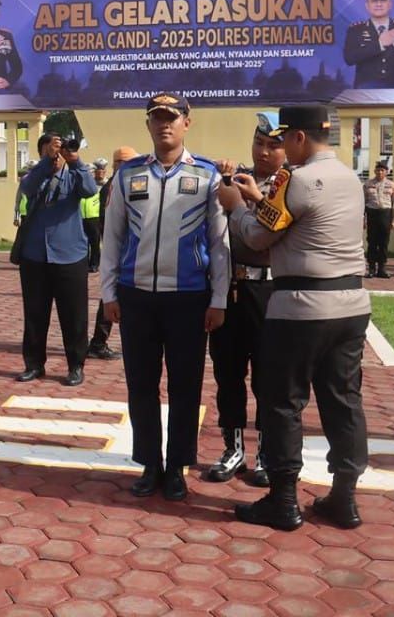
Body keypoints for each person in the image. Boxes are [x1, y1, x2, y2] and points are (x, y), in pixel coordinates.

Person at [219, 104, 370, 532]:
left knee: (282, 401)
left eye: (284, 138)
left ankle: (283, 499)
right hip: (351, 305)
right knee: (344, 401)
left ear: (299, 138)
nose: (281, 146)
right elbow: (290, 217)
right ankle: (345, 497)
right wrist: (256, 199)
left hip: (301, 306)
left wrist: (235, 206)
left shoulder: (295, 179)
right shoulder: (350, 179)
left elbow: (258, 236)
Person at [101, 93, 228, 500]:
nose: (164, 125)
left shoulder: (208, 176)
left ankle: (177, 466)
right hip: (135, 296)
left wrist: (219, 298)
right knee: (141, 384)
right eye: (157, 118)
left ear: (187, 122)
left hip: (189, 297)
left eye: (172, 118)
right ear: (148, 124)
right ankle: (149, 463)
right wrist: (108, 292)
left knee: (185, 386)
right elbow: (112, 237)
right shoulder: (128, 175)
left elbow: (219, 242)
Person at [207, 111, 286, 487]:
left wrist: (247, 198)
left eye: (274, 145)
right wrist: (226, 180)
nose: (264, 151)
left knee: (269, 378)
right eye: (259, 143)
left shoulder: (291, 184)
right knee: (228, 373)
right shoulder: (237, 177)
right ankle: (233, 448)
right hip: (233, 289)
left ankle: (267, 453)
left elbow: (271, 233)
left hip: (270, 291)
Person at [16, 132, 99, 387]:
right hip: (35, 254)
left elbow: (89, 189)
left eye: (59, 149)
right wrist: (45, 163)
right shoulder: (34, 174)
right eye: (50, 149)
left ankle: (76, 365)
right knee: (35, 314)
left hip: (69, 255)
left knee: (74, 315)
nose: (56, 153)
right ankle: (33, 364)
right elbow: (27, 190)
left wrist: (74, 160)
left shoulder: (75, 175)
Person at [87, 147, 137, 361]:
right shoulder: (114, 187)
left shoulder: (120, 184)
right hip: (122, 253)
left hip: (126, 252)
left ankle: (99, 341)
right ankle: (98, 342)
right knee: (113, 298)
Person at [363, 161, 394, 278]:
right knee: (372, 242)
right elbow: (363, 202)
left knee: (383, 243)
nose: (380, 172)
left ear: (386, 172)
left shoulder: (391, 185)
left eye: (382, 170)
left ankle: (382, 268)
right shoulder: (368, 184)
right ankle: (371, 268)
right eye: (378, 170)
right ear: (374, 171)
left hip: (385, 214)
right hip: (372, 213)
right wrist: (363, 219)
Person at [82, 159, 108, 273]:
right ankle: (84, 263)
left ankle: (94, 264)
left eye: (91, 172)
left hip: (95, 216)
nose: (90, 174)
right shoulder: (82, 185)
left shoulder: (100, 185)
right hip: (82, 216)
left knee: (95, 243)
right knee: (84, 243)